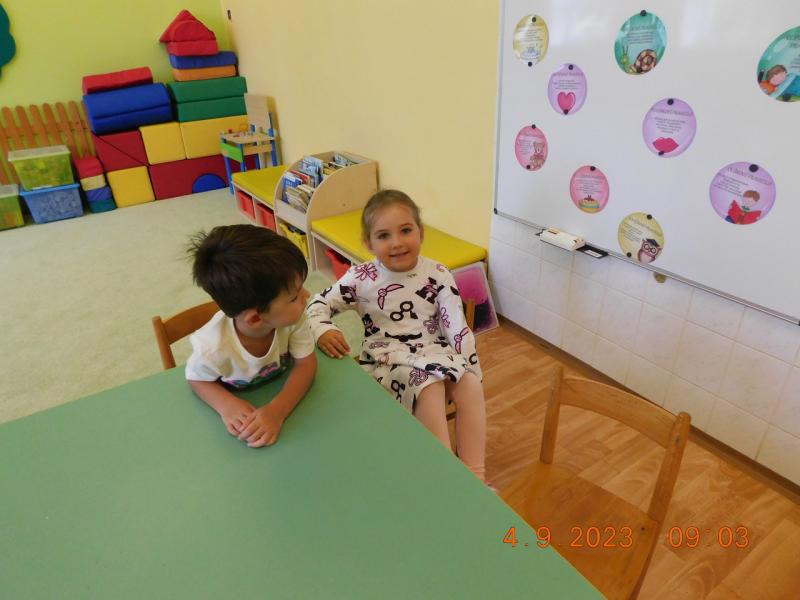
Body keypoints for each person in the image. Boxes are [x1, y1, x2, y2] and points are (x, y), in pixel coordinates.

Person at [306, 190, 490, 486]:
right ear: (369, 243)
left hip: (434, 353)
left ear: (421, 232)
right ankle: (445, 478)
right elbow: (317, 304)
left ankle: (475, 477)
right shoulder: (361, 277)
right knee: (428, 386)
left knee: (470, 384)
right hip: (387, 358)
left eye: (405, 230)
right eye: (384, 235)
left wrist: (471, 368)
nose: (397, 243)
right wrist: (323, 329)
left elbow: (457, 328)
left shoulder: (438, 273)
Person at [186, 224, 316, 448]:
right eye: (294, 297)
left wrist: (277, 411)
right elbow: (196, 378)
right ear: (255, 319)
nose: (307, 295)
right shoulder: (211, 348)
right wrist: (226, 405)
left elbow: (306, 364)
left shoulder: (293, 319)